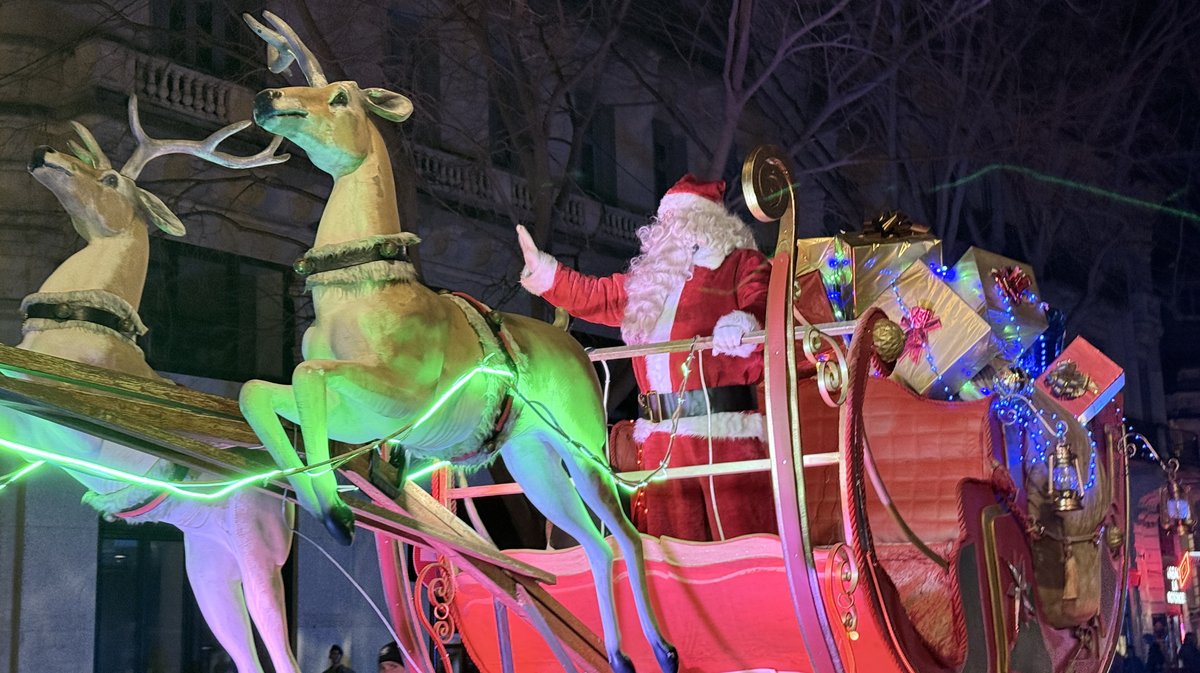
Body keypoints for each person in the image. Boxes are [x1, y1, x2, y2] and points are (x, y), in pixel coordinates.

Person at [517, 173, 775, 541]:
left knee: (739, 541)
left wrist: (744, 322)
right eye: (665, 224)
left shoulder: (739, 265)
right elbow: (597, 296)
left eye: (678, 222)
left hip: (723, 432)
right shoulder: (649, 282)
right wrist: (546, 272)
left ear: (707, 223)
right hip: (658, 440)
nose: (668, 232)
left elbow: (765, 303)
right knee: (671, 548)